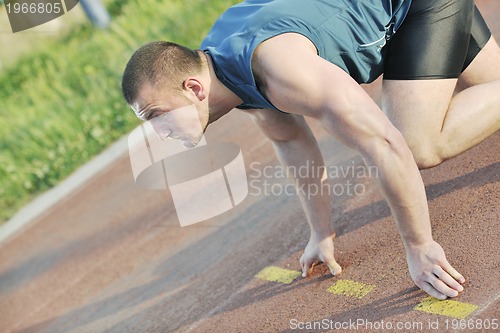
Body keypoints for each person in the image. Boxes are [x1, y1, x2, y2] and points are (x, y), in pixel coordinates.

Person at [121, 0, 500, 300]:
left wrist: (419, 246)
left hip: (416, 8)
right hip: (391, 14)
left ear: (194, 88)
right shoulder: (226, 72)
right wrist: (322, 232)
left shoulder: (282, 71)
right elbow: (291, 142)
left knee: (416, 144)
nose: (158, 133)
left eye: (156, 115)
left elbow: (385, 145)